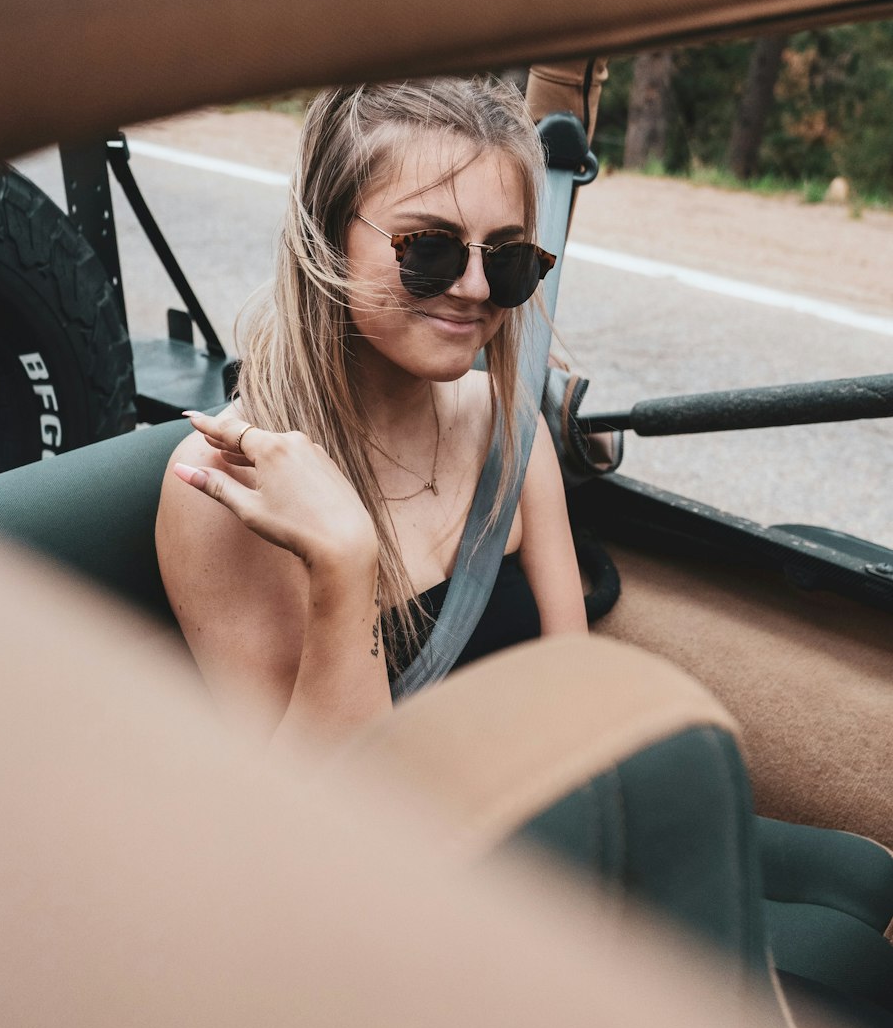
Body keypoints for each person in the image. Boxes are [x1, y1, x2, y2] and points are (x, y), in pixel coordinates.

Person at [156, 78, 587, 741]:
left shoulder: (508, 425)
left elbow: (578, 702)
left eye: (507, 258)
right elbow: (304, 811)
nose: (474, 288)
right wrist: (347, 567)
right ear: (327, 236)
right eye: (429, 249)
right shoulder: (222, 484)